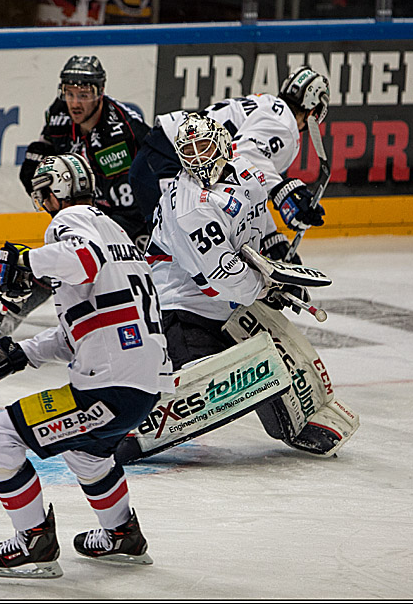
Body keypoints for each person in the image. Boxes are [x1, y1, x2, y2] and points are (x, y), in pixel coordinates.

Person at [0, 153, 173, 578]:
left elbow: (83, 260)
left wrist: (26, 261)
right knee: (87, 452)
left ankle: (33, 542)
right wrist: (19, 354)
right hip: (142, 382)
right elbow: (87, 325)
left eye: (42, 197)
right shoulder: (115, 231)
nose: (43, 206)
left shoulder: (69, 221)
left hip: (110, 385)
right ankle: (121, 534)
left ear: (53, 193)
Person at [137, 112, 356, 458]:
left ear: (223, 144)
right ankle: (141, 414)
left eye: (204, 147)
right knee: (241, 370)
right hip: (179, 306)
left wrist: (278, 247)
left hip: (223, 304)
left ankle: (297, 421)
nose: (198, 158)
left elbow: (257, 212)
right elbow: (227, 278)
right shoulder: (191, 207)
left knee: (281, 359)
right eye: (189, 152)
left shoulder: (243, 171)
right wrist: (267, 288)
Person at [0, 54, 149, 339]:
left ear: (99, 94)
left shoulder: (118, 134)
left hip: (137, 216)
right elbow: (37, 166)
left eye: (83, 95)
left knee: (124, 274)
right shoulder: (60, 111)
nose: (75, 102)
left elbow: (127, 197)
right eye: (69, 93)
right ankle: (13, 315)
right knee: (60, 259)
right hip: (96, 204)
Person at [130, 66, 330, 238]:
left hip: (161, 157)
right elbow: (242, 155)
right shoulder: (285, 125)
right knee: (177, 252)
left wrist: (270, 237)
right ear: (314, 111)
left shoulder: (267, 103)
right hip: (167, 162)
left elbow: (249, 186)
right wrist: (284, 191)